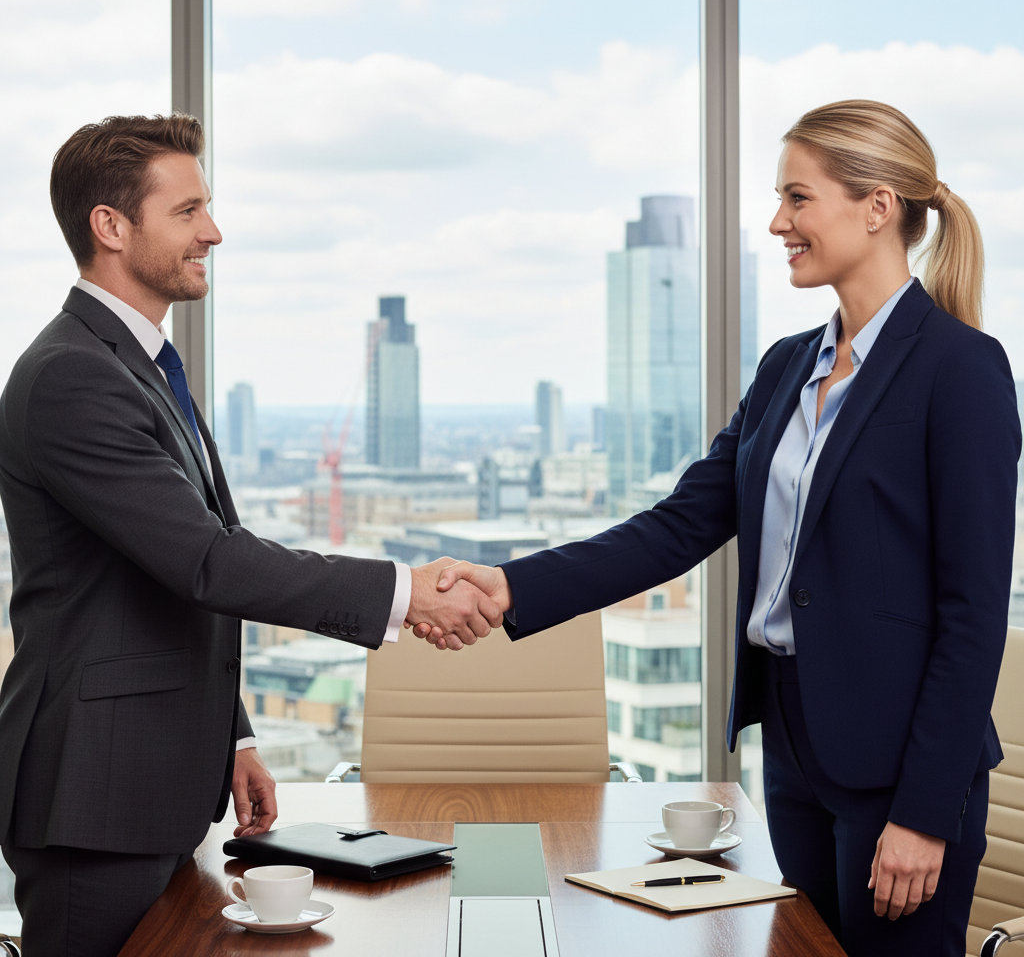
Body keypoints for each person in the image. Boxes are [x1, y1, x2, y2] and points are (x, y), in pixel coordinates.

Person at [415, 100, 1020, 956]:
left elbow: (972, 613)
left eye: (798, 199)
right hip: (796, 749)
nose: (778, 223)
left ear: (877, 207)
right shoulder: (786, 367)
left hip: (901, 765)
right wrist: (512, 585)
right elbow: (677, 526)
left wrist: (924, 813)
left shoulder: (960, 368)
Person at [0, 113, 501, 957]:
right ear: (110, 226)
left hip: (142, 780)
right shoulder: (73, 377)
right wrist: (406, 591)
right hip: (94, 795)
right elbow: (208, 562)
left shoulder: (137, 364)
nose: (213, 232)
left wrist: (228, 733)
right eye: (188, 211)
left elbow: (167, 573)